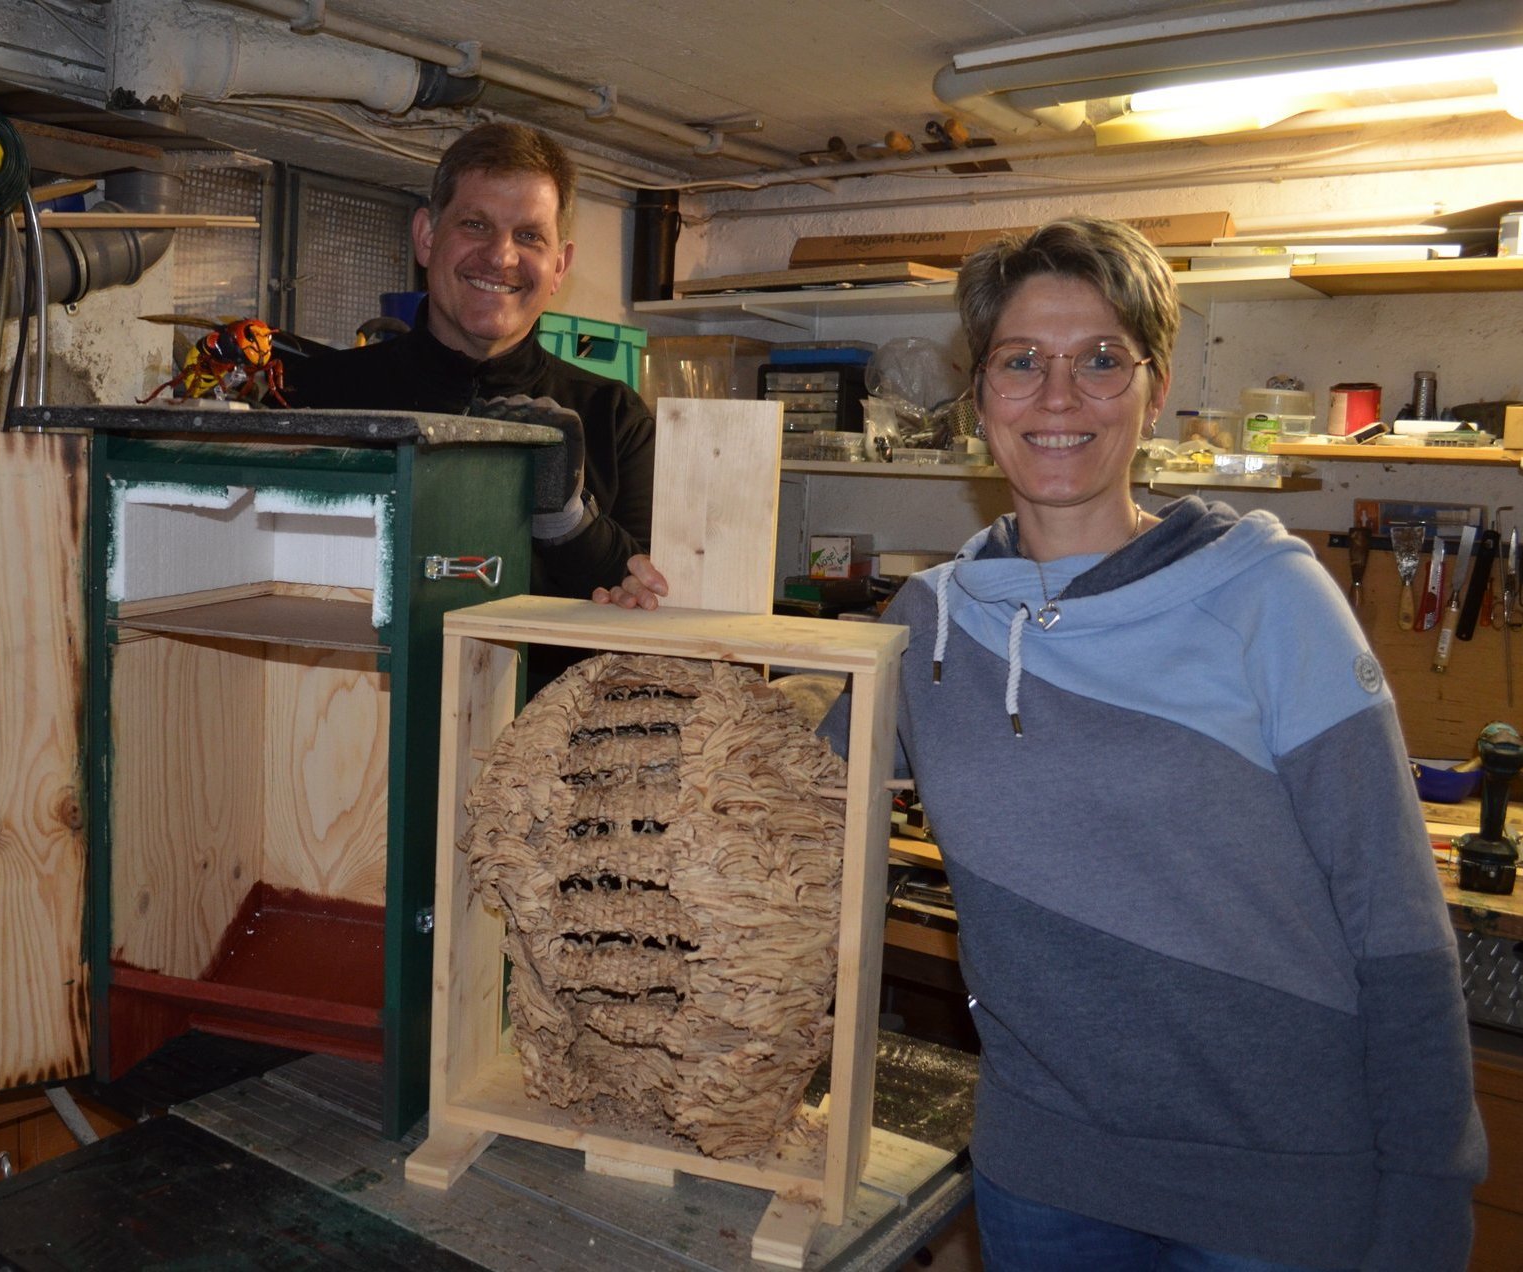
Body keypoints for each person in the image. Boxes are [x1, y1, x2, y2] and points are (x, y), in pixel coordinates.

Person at [596, 217, 1485, 1271]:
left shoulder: (1269, 598)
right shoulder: (930, 622)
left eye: (1100, 360)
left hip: (1277, 1185)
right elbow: (776, 794)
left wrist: (1432, 1186)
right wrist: (665, 647)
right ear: (981, 400)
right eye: (1022, 362)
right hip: (1046, 1183)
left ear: (1153, 392)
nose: (1058, 397)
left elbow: (1396, 922)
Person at [286, 121, 655, 601]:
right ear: (426, 236)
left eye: (529, 236)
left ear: (559, 266)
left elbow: (649, 591)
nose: (501, 257)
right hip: (359, 676)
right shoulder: (319, 397)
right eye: (475, 225)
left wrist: (566, 520)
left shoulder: (616, 418)